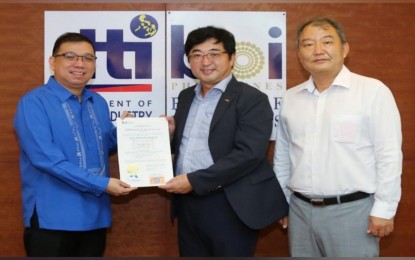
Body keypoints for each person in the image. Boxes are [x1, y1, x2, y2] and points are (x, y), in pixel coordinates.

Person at [273, 16, 402, 257]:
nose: (318, 50)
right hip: (300, 211)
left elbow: (389, 155)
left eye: (327, 42)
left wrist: (385, 209)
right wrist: (282, 201)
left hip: (354, 212)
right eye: (308, 44)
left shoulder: (372, 91)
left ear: (344, 49)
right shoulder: (291, 98)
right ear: (299, 54)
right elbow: (283, 156)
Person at [158, 26, 288, 257]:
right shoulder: (186, 96)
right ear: (189, 61)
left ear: (232, 58)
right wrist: (168, 135)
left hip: (230, 203)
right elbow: (186, 144)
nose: (205, 61)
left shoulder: (252, 99)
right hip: (188, 203)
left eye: (214, 54)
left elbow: (249, 154)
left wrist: (195, 180)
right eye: (196, 55)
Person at [14, 32, 137, 257]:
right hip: (52, 220)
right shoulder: (33, 103)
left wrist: (128, 132)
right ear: (53, 62)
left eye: (88, 58)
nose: (80, 64)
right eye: (70, 56)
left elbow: (102, 146)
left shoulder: (97, 102)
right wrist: (101, 184)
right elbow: (46, 159)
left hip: (95, 217)